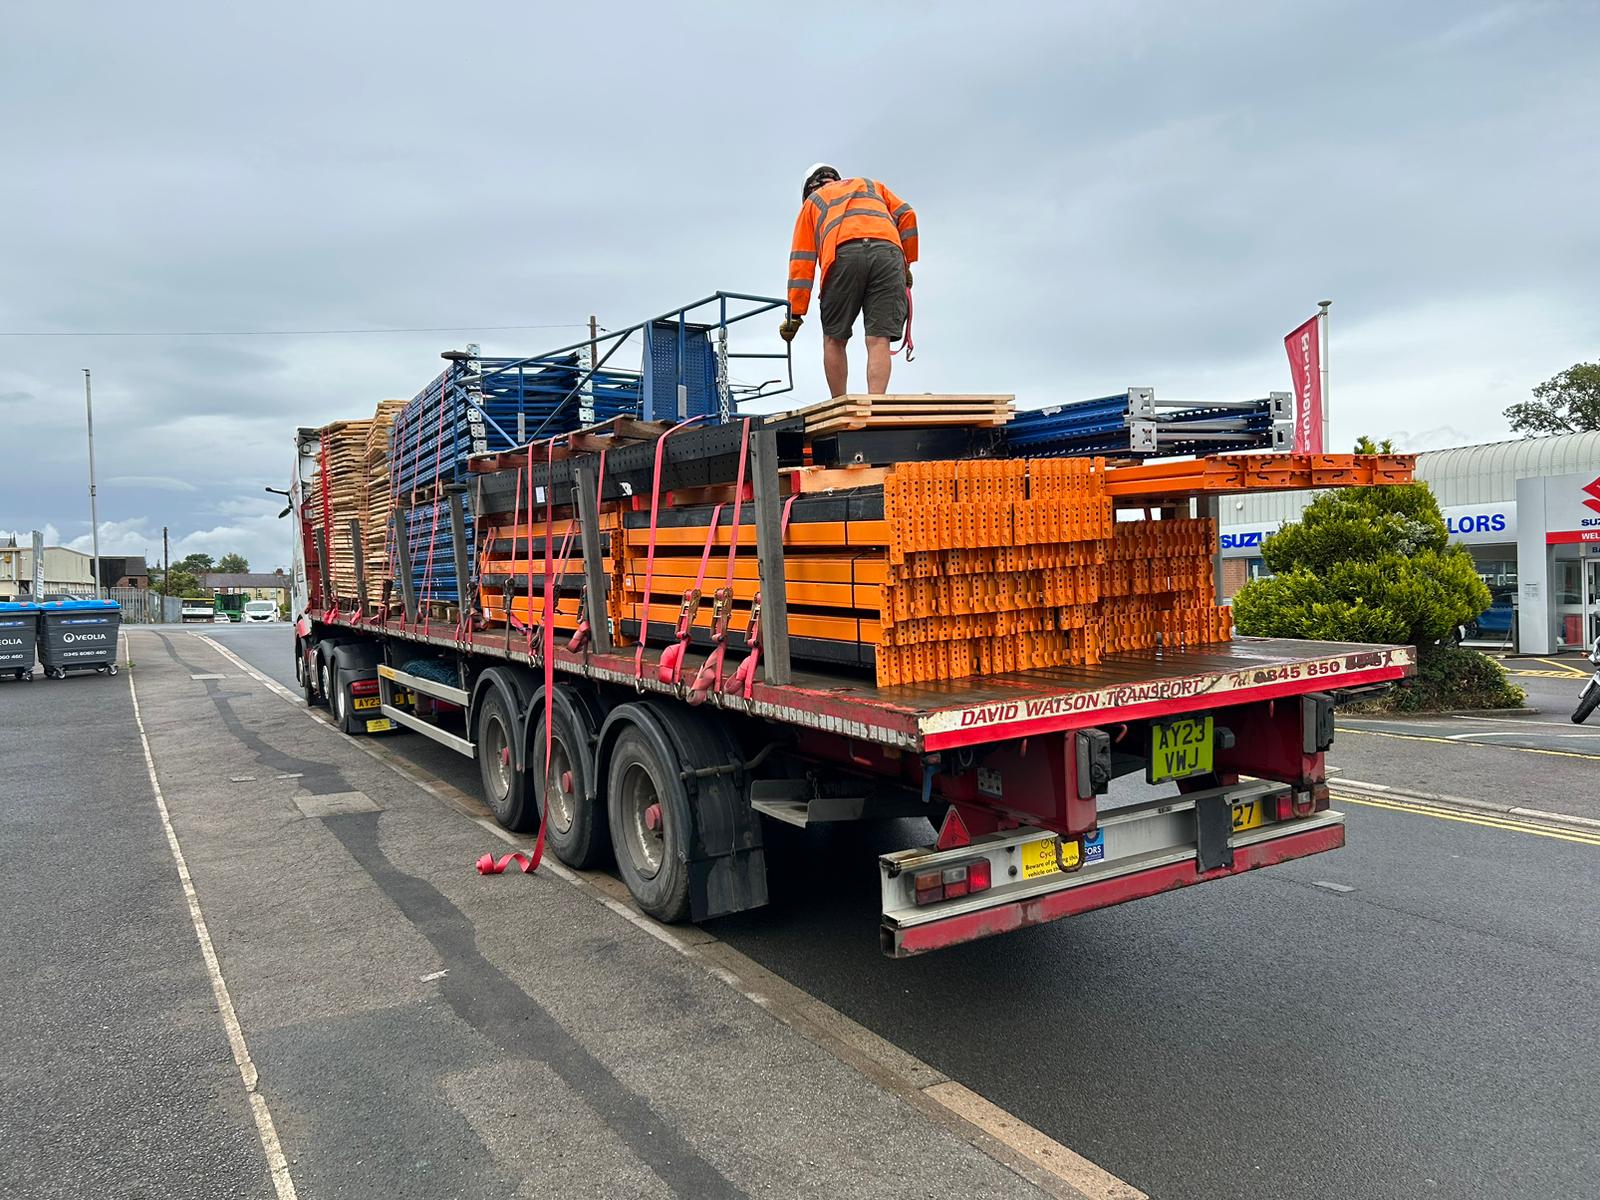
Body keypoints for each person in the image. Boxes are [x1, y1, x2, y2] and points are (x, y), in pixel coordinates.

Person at [779, 163, 917, 397]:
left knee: (834, 338)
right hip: (888, 255)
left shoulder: (813, 202)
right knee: (878, 339)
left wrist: (795, 313)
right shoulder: (872, 185)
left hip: (843, 255)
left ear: (808, 189)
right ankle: (876, 402)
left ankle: (839, 402)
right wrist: (906, 263)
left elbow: (802, 262)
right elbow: (907, 214)